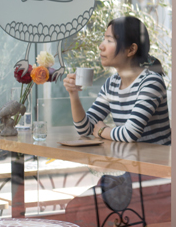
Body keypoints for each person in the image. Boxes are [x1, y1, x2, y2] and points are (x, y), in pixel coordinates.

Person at [65, 16, 170, 145]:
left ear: (131, 50)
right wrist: (73, 94)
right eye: (104, 39)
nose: (101, 46)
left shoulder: (151, 82)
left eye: (109, 40)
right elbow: (85, 129)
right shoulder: (112, 84)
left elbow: (130, 133)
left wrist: (102, 130)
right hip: (130, 159)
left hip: (157, 162)